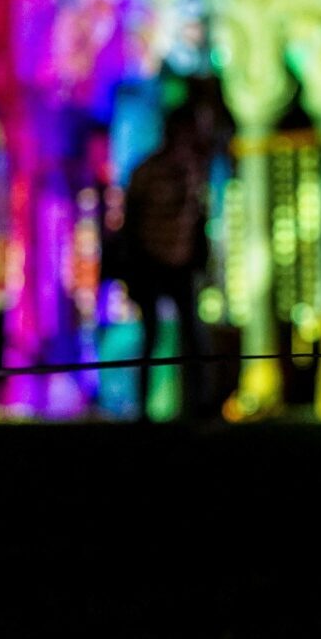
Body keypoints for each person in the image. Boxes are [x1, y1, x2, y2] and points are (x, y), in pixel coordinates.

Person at [117, 101, 216, 420]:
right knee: (152, 335)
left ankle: (198, 405)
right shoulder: (148, 170)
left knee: (193, 335)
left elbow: (198, 221)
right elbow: (130, 223)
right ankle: (144, 409)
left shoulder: (193, 170)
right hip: (151, 264)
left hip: (180, 264)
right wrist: (132, 265)